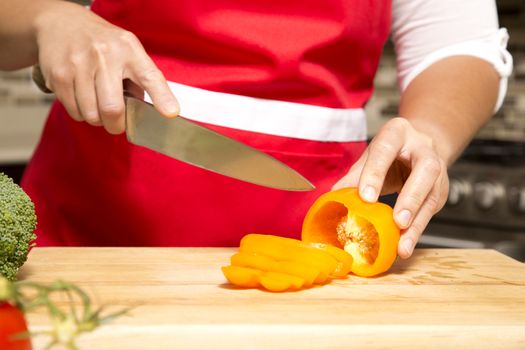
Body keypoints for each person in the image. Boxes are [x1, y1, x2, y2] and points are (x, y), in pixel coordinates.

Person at [0, 0, 512, 258]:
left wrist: (429, 132)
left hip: (314, 225)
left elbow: (459, 44)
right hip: (91, 229)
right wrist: (50, 17)